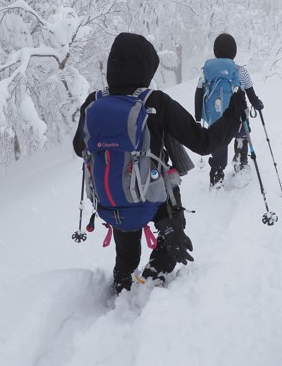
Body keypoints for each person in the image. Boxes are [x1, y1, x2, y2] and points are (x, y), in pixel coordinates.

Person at [72, 32, 246, 294]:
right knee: (171, 243)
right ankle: (154, 279)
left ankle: (124, 285)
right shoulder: (156, 102)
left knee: (126, 256)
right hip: (157, 199)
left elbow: (79, 148)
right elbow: (204, 142)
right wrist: (234, 114)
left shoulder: (93, 102)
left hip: (113, 203)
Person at [194, 33, 264, 187]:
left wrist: (198, 118)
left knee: (218, 143)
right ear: (234, 51)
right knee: (242, 136)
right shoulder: (240, 72)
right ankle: (240, 164)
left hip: (215, 120)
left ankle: (217, 174)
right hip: (238, 118)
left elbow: (199, 94)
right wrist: (257, 104)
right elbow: (251, 93)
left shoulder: (206, 72)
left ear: (215, 51)